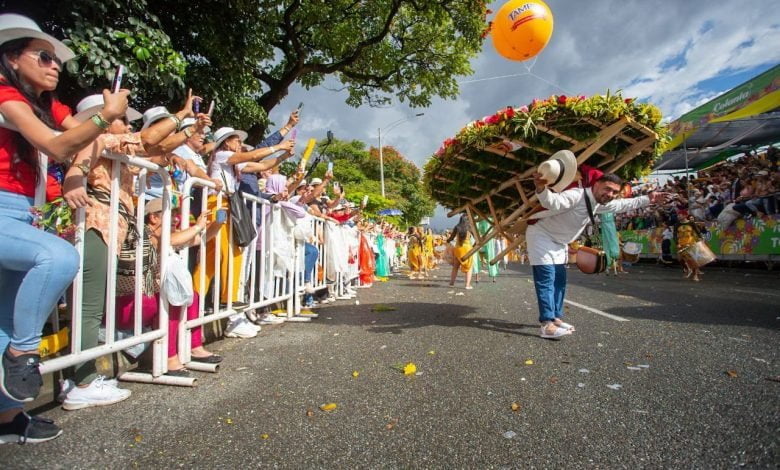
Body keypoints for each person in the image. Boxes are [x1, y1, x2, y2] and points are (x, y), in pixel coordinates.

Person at [0, 13, 129, 443]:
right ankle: (23, 352)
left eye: (56, 59)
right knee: (58, 257)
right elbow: (56, 143)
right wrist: (104, 116)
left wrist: (76, 173)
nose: (55, 65)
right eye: (43, 56)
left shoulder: (46, 104)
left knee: (6, 316)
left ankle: (7, 418)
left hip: (24, 211)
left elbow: (89, 140)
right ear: (12, 59)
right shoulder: (4, 93)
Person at [528, 171, 669, 339]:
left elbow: (624, 204)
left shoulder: (600, 204)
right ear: (596, 185)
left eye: (614, 192)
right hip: (541, 236)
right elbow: (553, 202)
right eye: (607, 189)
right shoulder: (576, 195)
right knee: (547, 278)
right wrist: (541, 189)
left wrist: (649, 198)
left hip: (560, 242)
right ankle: (546, 324)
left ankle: (555, 318)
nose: (610, 194)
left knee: (559, 280)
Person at [447, 216, 474, 289]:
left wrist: (447, 241)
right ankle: (467, 285)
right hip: (467, 249)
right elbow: (476, 238)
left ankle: (451, 283)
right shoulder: (470, 227)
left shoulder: (457, 227)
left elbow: (451, 238)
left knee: (455, 267)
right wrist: (473, 246)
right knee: (469, 267)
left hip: (458, 249)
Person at [674, 217, 703, 282]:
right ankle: (687, 269)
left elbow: (697, 231)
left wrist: (700, 237)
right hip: (681, 243)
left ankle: (695, 275)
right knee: (680, 259)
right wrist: (677, 243)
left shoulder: (691, 223)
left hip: (691, 243)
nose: (678, 216)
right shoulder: (677, 224)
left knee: (693, 259)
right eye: (678, 215)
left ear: (684, 215)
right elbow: (674, 235)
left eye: (680, 214)